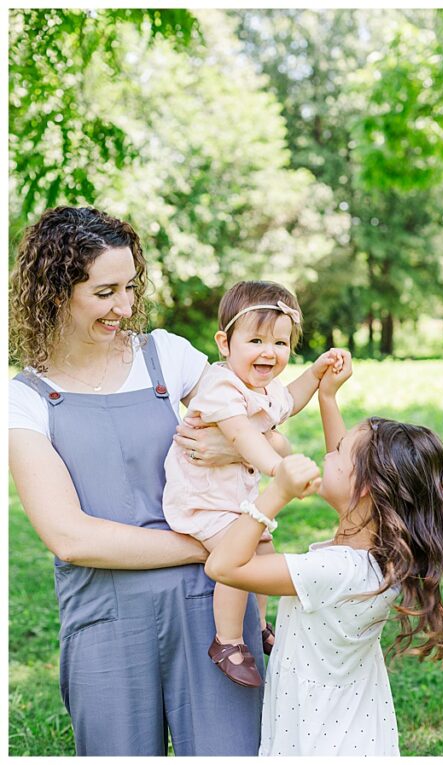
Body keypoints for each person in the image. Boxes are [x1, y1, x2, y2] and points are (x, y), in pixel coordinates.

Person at [8, 206, 262, 754]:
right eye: (105, 292)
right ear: (56, 292)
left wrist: (229, 442)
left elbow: (274, 443)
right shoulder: (24, 399)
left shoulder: (166, 357)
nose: (125, 306)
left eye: (129, 287)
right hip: (106, 616)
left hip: (214, 611)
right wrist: (215, 546)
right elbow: (71, 537)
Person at [204, 354, 443, 755]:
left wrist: (274, 494)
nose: (330, 451)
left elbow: (223, 565)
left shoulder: (329, 571)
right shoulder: (382, 553)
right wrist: (327, 397)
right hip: (354, 731)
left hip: (318, 738)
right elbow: (350, 483)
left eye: (339, 451)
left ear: (363, 488)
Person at [162, 279, 345, 687]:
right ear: (225, 344)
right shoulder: (222, 385)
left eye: (281, 344)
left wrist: (315, 375)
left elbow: (290, 402)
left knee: (264, 548)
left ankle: (258, 623)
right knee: (238, 558)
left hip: (233, 502)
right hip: (202, 501)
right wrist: (279, 469)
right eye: (257, 340)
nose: (269, 352)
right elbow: (243, 437)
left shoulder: (263, 388)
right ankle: (226, 641)